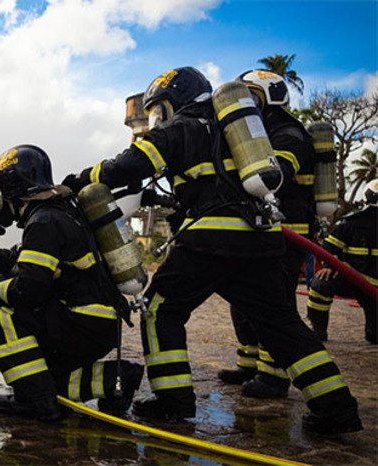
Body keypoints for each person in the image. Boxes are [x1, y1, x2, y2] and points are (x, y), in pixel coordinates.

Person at [62, 66, 362, 434]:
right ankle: (337, 409)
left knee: (160, 309)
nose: (159, 118)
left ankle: (173, 402)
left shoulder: (182, 126)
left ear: (178, 100)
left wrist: (77, 181)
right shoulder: (241, 128)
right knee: (280, 323)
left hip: (210, 236)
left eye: (160, 109)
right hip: (260, 236)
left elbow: (129, 167)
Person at [0, 144, 144, 421]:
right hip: (96, 324)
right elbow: (15, 261)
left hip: (81, 324)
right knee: (47, 379)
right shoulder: (59, 213)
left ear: (15, 190)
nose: (0, 203)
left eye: (0, 193)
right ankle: (117, 378)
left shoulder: (44, 222)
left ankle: (34, 402)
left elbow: (26, 291)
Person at [216, 70, 316, 399]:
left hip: (288, 233)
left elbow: (277, 173)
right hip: (261, 231)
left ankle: (274, 377)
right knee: (242, 300)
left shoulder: (289, 132)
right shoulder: (257, 132)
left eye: (252, 95)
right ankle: (249, 363)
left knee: (276, 305)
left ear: (270, 97)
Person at [306, 179, 378, 344]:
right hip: (355, 280)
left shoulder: (351, 223)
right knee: (321, 283)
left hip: (357, 282)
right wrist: (330, 264)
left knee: (375, 336)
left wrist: (330, 263)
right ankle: (318, 330)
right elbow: (329, 249)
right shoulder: (351, 225)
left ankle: (318, 331)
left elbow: (328, 248)